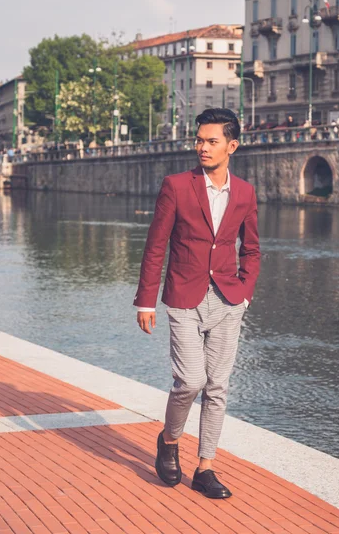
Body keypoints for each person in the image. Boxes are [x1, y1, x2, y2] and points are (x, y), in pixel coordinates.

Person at [134, 108, 261, 499]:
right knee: (191, 380)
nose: (202, 147)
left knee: (218, 386)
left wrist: (245, 292)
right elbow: (156, 245)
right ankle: (170, 440)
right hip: (183, 296)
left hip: (227, 298)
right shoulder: (176, 185)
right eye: (199, 140)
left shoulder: (244, 192)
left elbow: (252, 249)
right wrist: (145, 301)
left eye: (211, 141)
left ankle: (206, 467)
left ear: (231, 146)